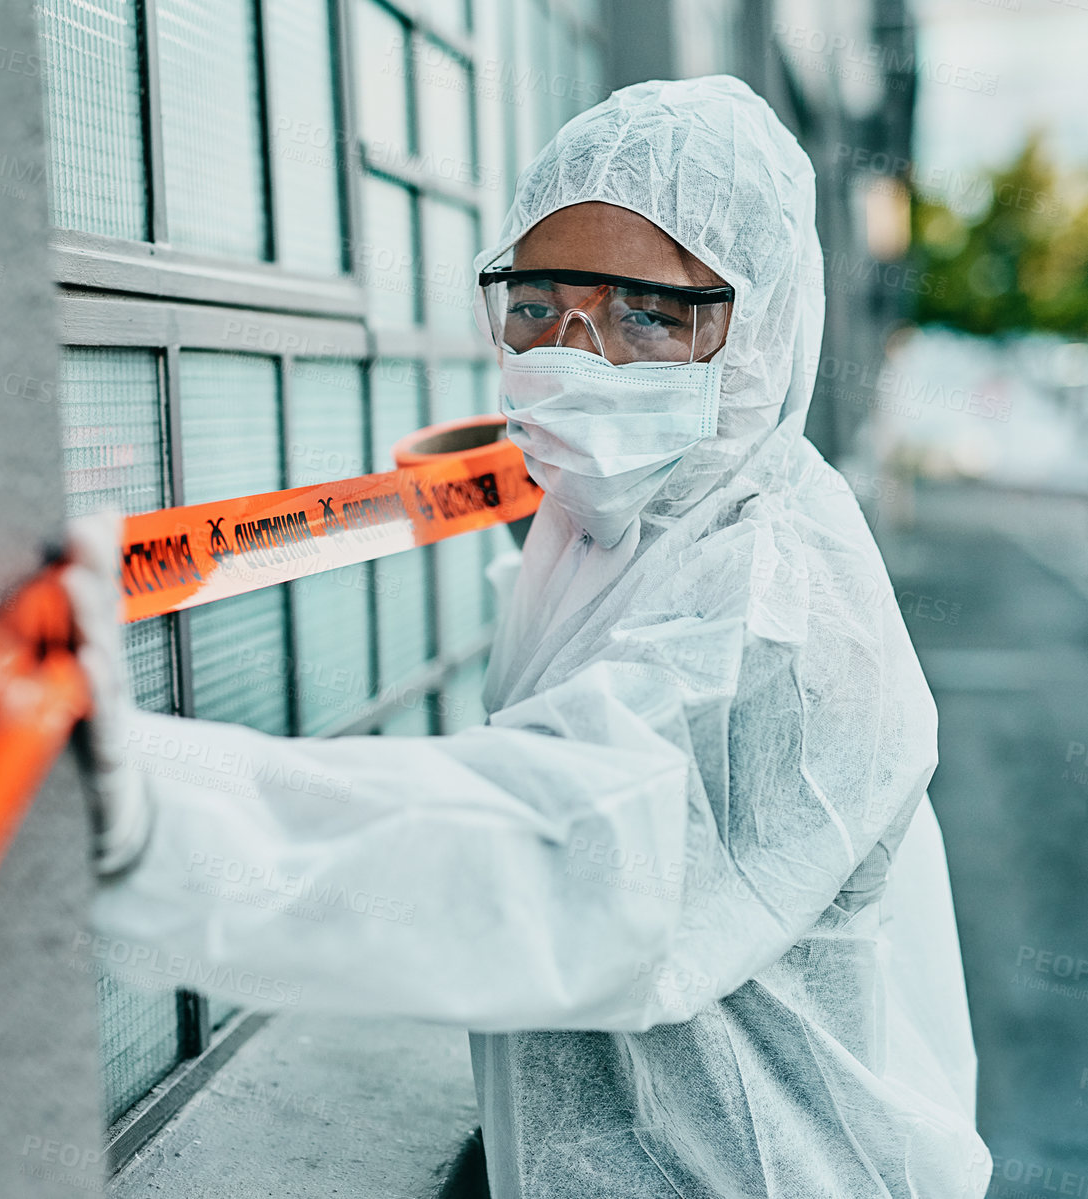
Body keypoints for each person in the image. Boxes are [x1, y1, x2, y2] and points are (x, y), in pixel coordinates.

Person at [62, 75, 992, 1198]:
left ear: (764, 326)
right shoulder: (617, 512)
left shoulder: (781, 614)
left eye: (648, 312)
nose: (575, 354)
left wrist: (162, 816)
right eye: (538, 302)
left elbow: (563, 851)